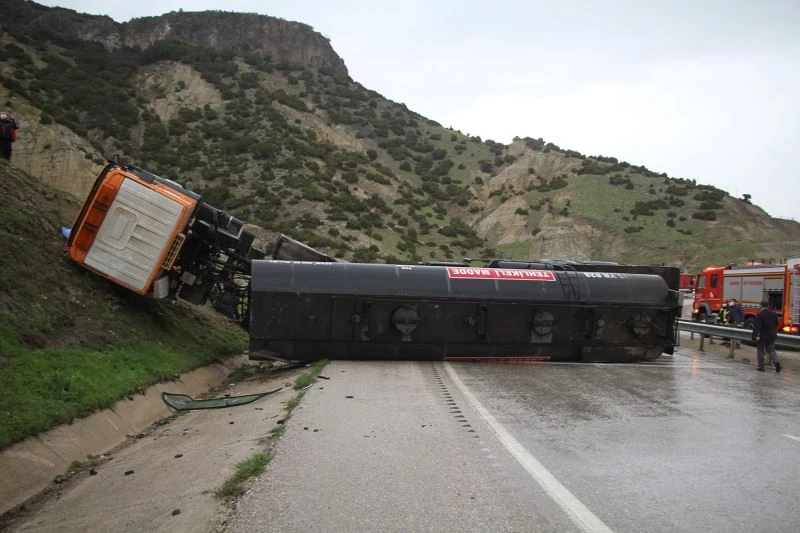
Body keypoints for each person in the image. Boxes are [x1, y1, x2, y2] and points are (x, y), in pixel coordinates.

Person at [753, 299, 781, 373]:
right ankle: (777, 363)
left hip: (762, 336)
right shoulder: (774, 313)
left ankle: (761, 367)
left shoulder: (760, 314)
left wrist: (757, 335)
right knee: (771, 350)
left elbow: (758, 326)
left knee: (760, 351)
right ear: (768, 306)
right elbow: (776, 323)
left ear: (761, 305)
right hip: (771, 335)